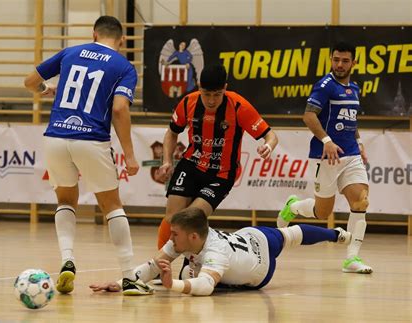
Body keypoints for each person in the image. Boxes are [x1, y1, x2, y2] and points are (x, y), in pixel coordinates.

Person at [24, 15, 153, 295]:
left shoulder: (70, 52)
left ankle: (67, 260)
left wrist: (46, 90)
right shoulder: (123, 66)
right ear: (121, 40)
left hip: (56, 136)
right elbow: (119, 109)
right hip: (91, 139)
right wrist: (130, 155)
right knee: (112, 206)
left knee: (65, 201)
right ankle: (129, 277)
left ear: (94, 34)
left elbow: (30, 81)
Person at [89, 207, 351, 296]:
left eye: (174, 235)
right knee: (288, 235)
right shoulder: (188, 238)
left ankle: (336, 234)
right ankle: (335, 234)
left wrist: (174, 285)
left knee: (291, 235)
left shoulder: (215, 253)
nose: (170, 239)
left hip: (261, 268)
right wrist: (123, 283)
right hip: (248, 236)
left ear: (193, 236)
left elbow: (205, 286)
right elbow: (154, 264)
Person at [156, 64, 278, 250]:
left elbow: (270, 135)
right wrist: (166, 161)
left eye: (217, 94)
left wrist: (268, 146)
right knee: (172, 217)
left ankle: (191, 265)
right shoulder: (188, 102)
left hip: (221, 174)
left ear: (225, 89)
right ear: (198, 87)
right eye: (206, 94)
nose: (211, 101)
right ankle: (160, 266)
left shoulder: (239, 106)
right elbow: (171, 133)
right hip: (191, 164)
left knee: (192, 218)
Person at [276, 41, 372, 274]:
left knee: (361, 201)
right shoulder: (325, 86)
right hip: (325, 156)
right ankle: (294, 206)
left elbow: (352, 120)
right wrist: (327, 141)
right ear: (331, 59)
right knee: (323, 212)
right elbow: (309, 116)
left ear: (354, 63)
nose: (340, 64)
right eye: (336, 59)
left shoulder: (355, 89)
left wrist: (359, 144)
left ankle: (352, 259)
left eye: (345, 60)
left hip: (350, 154)